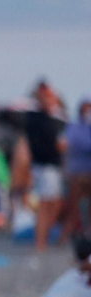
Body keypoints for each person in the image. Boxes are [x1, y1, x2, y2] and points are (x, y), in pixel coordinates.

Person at [24, 80, 68, 252]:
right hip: (45, 165)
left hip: (50, 165)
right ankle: (40, 242)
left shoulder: (52, 118)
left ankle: (43, 238)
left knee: (53, 202)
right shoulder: (37, 118)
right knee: (46, 203)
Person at [64, 99, 91, 241]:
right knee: (74, 208)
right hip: (77, 174)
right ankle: (67, 236)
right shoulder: (74, 127)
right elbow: (81, 144)